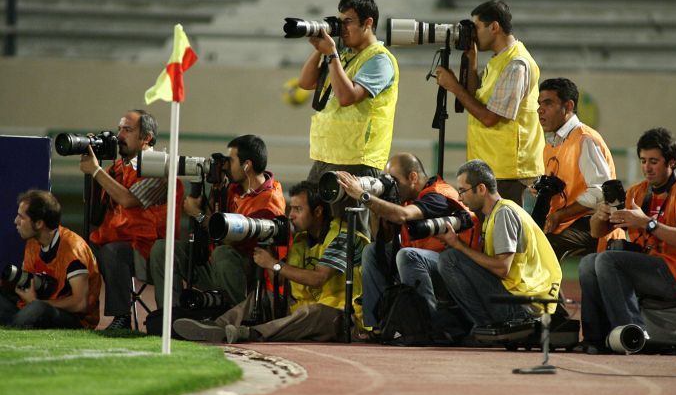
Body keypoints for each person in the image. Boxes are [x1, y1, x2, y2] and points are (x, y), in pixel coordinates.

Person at [577, 128, 676, 353]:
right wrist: (600, 216)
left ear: (671, 162)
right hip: (660, 267)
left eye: (654, 161)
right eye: (643, 161)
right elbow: (597, 232)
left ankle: (634, 333)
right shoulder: (638, 193)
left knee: (608, 261)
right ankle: (595, 339)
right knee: (588, 262)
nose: (647, 167)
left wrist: (647, 223)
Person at [173, 181, 368, 343]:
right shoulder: (301, 240)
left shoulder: (344, 235)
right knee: (264, 297)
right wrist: (269, 246)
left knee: (312, 312)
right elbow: (281, 279)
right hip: (302, 310)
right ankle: (215, 327)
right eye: (291, 208)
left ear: (318, 212)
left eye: (298, 209)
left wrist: (274, 264)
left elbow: (318, 278)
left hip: (342, 318)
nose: (290, 215)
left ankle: (252, 333)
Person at [333, 153, 480, 332]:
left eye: (394, 180)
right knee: (371, 251)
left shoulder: (437, 195)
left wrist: (363, 195)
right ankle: (378, 326)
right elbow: (381, 239)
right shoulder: (407, 199)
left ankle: (424, 325)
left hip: (456, 268)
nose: (390, 185)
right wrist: (376, 203)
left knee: (407, 255)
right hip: (426, 264)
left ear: (413, 177)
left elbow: (403, 215)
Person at [298, 0, 399, 235]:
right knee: (317, 230)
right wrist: (320, 49)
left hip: (357, 162)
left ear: (368, 23)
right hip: (325, 157)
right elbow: (306, 82)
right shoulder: (343, 56)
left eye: (348, 22)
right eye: (340, 22)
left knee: (349, 234)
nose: (342, 29)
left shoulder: (380, 60)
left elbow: (347, 97)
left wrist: (332, 53)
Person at [150, 134, 286, 309]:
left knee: (223, 253)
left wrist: (198, 215)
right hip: (216, 265)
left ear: (247, 165)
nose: (226, 166)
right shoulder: (235, 188)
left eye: (230, 160)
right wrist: (216, 189)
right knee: (163, 249)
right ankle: (170, 314)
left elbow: (230, 239)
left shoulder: (268, 203)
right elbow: (212, 219)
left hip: (247, 276)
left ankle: (236, 315)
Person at [80, 109, 182, 330]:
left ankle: (121, 317)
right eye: (119, 129)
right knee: (82, 248)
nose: (119, 136)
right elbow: (96, 213)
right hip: (124, 242)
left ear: (146, 138)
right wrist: (94, 163)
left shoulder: (159, 167)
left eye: (127, 130)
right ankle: (79, 313)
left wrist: (96, 171)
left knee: (112, 251)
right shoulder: (117, 168)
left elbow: (128, 200)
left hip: (151, 250)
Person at [435, 0, 543, 205]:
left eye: (476, 27)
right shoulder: (499, 60)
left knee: (503, 223)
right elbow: (476, 99)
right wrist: (472, 61)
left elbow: (489, 117)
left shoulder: (516, 64)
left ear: (494, 27)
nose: (472, 34)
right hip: (493, 166)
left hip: (508, 170)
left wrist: (454, 86)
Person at [436, 160, 562, 330]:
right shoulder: (497, 213)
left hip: (523, 306)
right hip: (523, 298)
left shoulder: (504, 214)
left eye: (462, 191)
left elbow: (502, 268)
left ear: (481, 189)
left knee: (450, 259)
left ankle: (484, 327)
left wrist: (458, 245)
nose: (459, 198)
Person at [536, 77, 619, 259]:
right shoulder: (551, 144)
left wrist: (559, 215)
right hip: (566, 221)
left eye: (548, 103)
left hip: (594, 223)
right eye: (539, 103)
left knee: (538, 246)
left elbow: (601, 192)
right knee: (527, 237)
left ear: (568, 106)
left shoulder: (584, 139)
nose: (540, 109)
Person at [0, 190, 101, 329]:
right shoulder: (33, 242)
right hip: (38, 304)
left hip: (76, 319)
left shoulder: (72, 249)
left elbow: (80, 303)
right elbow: (30, 282)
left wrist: (35, 302)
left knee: (38, 309)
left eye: (21, 217)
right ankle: (15, 323)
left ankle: (12, 326)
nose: (15, 221)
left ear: (39, 223)